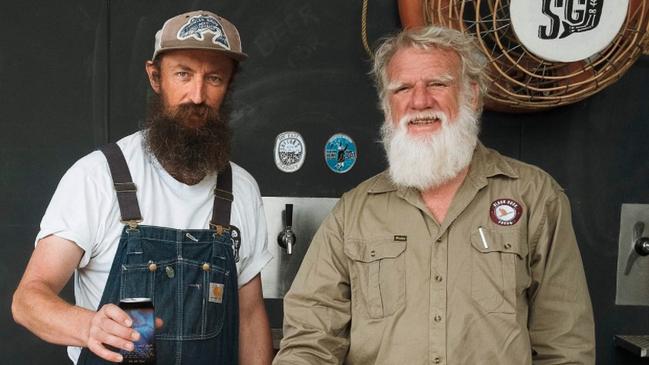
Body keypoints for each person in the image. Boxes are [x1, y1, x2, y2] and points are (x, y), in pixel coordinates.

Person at [274, 26, 595, 364]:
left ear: (471, 94)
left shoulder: (535, 196)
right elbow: (310, 341)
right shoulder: (354, 212)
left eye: (438, 84)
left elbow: (565, 344)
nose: (420, 101)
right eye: (403, 88)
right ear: (388, 106)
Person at [12, 10, 273, 365]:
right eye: (183, 74)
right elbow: (28, 300)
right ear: (155, 77)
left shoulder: (241, 188)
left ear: (228, 86)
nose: (197, 95)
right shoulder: (98, 178)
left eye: (213, 78)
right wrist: (89, 326)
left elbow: (250, 315)